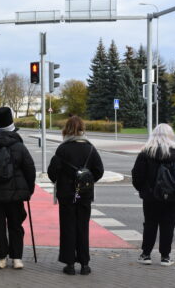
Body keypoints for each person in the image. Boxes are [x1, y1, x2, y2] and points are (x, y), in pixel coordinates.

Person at [0, 107, 36, 269]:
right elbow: (30, 169)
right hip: (15, 195)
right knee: (15, 225)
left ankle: (2, 258)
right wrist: (28, 190)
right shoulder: (18, 146)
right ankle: (17, 258)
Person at [48, 116, 103, 275]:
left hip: (66, 194)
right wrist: (87, 182)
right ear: (82, 129)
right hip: (84, 195)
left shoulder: (63, 149)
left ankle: (70, 264)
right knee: (83, 228)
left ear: (67, 129)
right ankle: (85, 264)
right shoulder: (90, 148)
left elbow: (53, 172)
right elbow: (99, 170)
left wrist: (62, 179)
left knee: (68, 228)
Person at [132, 123, 175, 267]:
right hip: (172, 196)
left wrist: (143, 190)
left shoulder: (146, 153)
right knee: (168, 225)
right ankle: (165, 256)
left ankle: (146, 255)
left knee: (150, 224)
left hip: (150, 196)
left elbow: (137, 176)